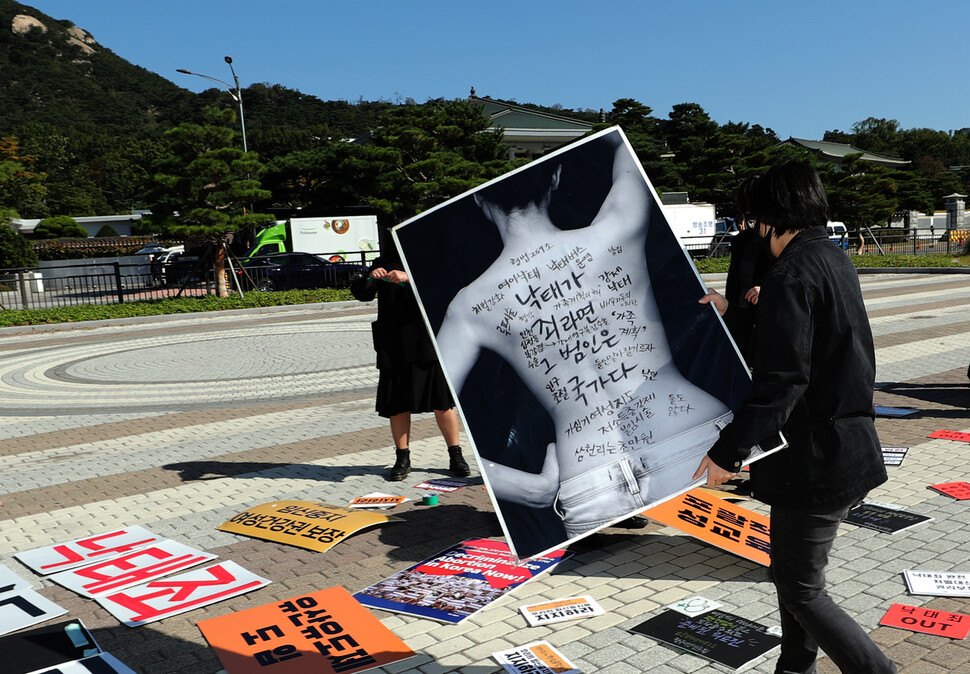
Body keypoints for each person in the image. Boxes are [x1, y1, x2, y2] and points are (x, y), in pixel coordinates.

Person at [433, 130, 733, 538]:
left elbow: (436, 398)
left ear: (481, 202)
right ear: (555, 179)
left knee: (622, 595)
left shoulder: (469, 307)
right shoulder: (616, 231)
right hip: (687, 434)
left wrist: (531, 489)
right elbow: (625, 151)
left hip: (587, 477)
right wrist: (596, 139)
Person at [693, 162, 896, 674]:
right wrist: (736, 311)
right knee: (794, 578)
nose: (751, 232)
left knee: (802, 590)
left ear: (768, 218)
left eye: (751, 220)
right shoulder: (829, 257)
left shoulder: (788, 275)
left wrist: (726, 453)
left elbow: (783, 381)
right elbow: (811, 340)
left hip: (813, 460)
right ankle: (794, 669)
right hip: (849, 447)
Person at [351, 247, 470, 481]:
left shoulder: (427, 257)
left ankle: (455, 454)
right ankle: (402, 457)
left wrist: (408, 277)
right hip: (392, 340)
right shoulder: (381, 260)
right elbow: (363, 294)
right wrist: (370, 278)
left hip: (425, 338)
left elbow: (445, 288)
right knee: (397, 403)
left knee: (441, 401)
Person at [699, 177, 775, 362]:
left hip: (766, 324)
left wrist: (768, 289)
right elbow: (734, 282)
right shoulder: (741, 241)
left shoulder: (780, 240)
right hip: (739, 316)